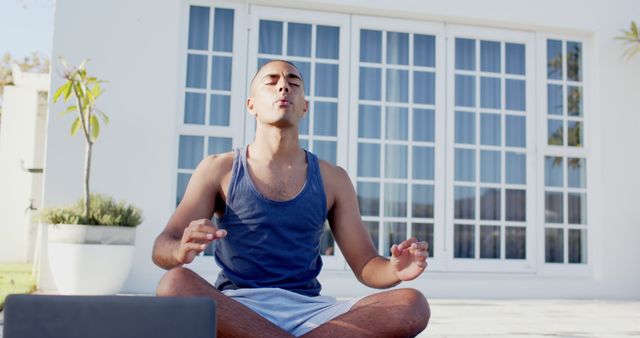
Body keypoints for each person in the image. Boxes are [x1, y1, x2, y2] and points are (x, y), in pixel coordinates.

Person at [152, 60, 430, 337]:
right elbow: (162, 246)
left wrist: (394, 270)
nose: (284, 85)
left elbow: (367, 265)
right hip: (239, 308)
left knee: (412, 303)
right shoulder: (218, 169)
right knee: (174, 283)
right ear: (252, 105)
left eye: (293, 82)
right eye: (271, 81)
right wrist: (177, 250)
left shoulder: (333, 178)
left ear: (304, 107)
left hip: (311, 312)